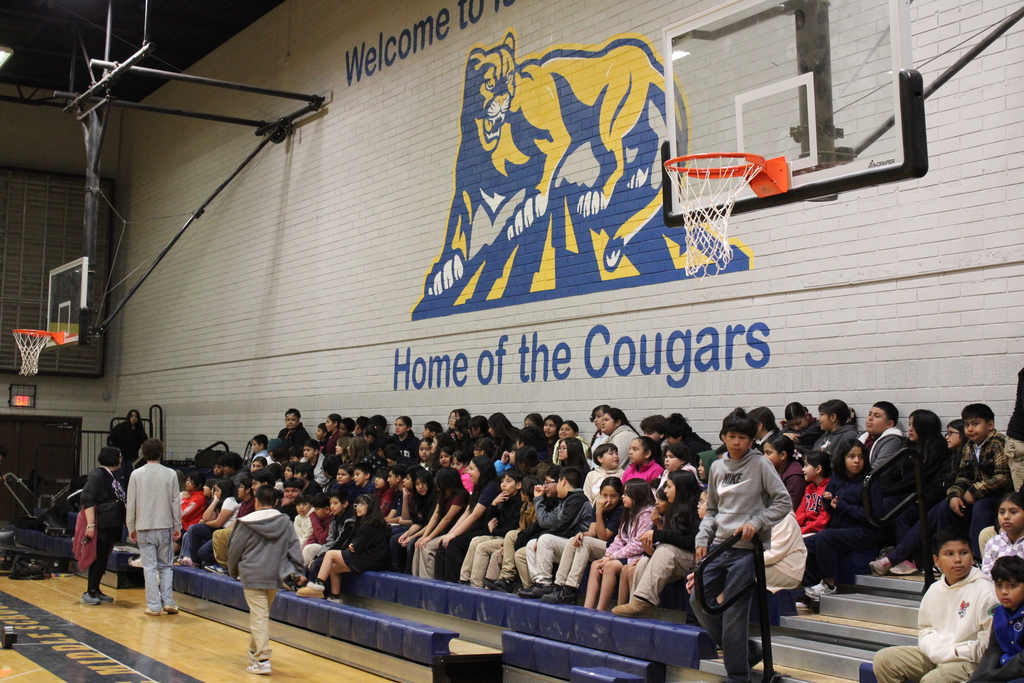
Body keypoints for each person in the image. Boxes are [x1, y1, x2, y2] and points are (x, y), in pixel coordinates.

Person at [686, 409, 790, 683]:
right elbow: (711, 510)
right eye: (731, 436)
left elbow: (783, 502)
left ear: (750, 440)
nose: (736, 442)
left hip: (746, 551)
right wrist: (701, 538)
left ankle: (737, 676)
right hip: (718, 547)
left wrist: (757, 523)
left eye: (742, 437)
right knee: (698, 603)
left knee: (734, 614)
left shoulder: (760, 465)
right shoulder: (718, 468)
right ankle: (746, 651)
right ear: (723, 437)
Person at [872, 528, 996, 683]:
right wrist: (936, 651)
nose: (958, 559)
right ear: (936, 560)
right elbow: (925, 630)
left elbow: (989, 645)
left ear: (972, 557)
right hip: (936, 655)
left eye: (964, 553)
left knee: (933, 680)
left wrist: (950, 652)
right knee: (884, 660)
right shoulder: (934, 589)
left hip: (968, 662)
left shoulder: (986, 591)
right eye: (949, 554)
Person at [227, 485, 304, 676]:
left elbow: (234, 549)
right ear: (276, 502)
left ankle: (262, 659)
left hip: (252, 573)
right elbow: (294, 546)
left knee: (259, 615)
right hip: (275, 574)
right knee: (261, 614)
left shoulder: (245, 522)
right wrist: (298, 571)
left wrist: (232, 571)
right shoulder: (285, 521)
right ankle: (255, 650)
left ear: (256, 501)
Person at [804, 440, 885, 599]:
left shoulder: (870, 481)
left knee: (824, 538)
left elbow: (874, 515)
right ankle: (812, 586)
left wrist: (843, 506)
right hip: (840, 528)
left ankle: (829, 585)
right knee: (804, 545)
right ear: (843, 459)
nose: (857, 461)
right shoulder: (836, 478)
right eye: (852, 456)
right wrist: (827, 502)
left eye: (861, 457)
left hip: (864, 531)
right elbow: (830, 507)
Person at [612, 471, 701, 617]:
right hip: (674, 559)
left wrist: (659, 534)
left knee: (665, 550)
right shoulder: (672, 508)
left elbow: (692, 542)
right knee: (642, 563)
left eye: (669, 486)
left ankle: (643, 601)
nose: (665, 490)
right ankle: (637, 608)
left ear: (681, 488)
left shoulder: (696, 508)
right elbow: (668, 541)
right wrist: (650, 550)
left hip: (693, 559)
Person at [544, 477, 624, 605]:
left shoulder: (620, 509)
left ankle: (571, 588)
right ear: (600, 494)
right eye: (605, 495)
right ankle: (558, 585)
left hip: (614, 550)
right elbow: (592, 532)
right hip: (599, 546)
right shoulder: (598, 504)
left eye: (613, 496)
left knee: (585, 543)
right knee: (574, 540)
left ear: (620, 496)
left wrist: (599, 513)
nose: (608, 500)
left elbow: (604, 536)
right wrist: (581, 534)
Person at [126, 438, 182, 616]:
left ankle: (154, 605)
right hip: (164, 525)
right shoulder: (171, 474)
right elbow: (175, 502)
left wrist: (131, 526)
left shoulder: (136, 474)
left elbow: (131, 503)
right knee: (166, 566)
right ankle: (169, 602)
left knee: (149, 567)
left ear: (143, 453)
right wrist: (177, 526)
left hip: (144, 526)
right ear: (161, 452)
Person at [518, 467, 594, 598]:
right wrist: (538, 499)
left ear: (563, 481)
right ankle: (539, 584)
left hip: (579, 546)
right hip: (567, 544)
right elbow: (545, 522)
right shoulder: (565, 501)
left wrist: (540, 537)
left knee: (545, 539)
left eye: (557, 483)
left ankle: (544, 584)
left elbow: (563, 526)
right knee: (531, 544)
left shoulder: (578, 499)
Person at [297, 494, 390, 599]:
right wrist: (353, 546)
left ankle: (317, 586)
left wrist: (353, 546)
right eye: (357, 504)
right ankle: (335, 596)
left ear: (371, 507)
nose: (358, 507)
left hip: (371, 559)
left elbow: (356, 548)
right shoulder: (366, 523)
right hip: (370, 558)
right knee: (334, 568)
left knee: (330, 554)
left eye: (362, 504)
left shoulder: (369, 526)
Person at [79, 446, 127, 605]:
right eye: (119, 456)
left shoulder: (111, 475)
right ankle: (90, 591)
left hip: (111, 523)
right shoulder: (97, 475)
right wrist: (90, 525)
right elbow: (87, 499)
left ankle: (96, 589)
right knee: (97, 557)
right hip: (101, 523)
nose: (121, 458)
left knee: (103, 556)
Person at [969, 556, 1024, 683]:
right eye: (999, 586)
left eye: (1012, 586)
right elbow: (993, 650)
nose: (1004, 592)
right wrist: (977, 678)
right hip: (1002, 671)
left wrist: (991, 677)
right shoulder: (999, 612)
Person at [981, 493, 1024, 577]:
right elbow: (986, 576)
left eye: (1013, 512)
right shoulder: (993, 542)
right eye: (1002, 512)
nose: (1006, 517)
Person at [764, 434, 804, 511]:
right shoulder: (773, 471)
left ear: (783, 455)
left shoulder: (795, 478)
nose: (764, 456)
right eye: (764, 452)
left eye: (768, 453)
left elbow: (789, 508)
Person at [796, 450, 832, 534]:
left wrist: (802, 530)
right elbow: (800, 512)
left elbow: (823, 521)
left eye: (806, 466)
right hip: (805, 528)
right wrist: (794, 527)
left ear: (818, 469)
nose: (803, 469)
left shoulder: (829, 489)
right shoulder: (809, 488)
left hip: (819, 531)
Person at [861, 401, 904, 469]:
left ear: (889, 424)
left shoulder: (892, 441)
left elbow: (877, 471)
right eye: (869, 414)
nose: (870, 418)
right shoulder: (862, 436)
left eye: (877, 416)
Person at [107, 409, 147, 483]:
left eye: (136, 417)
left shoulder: (139, 430)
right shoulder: (120, 427)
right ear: (129, 417)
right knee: (121, 478)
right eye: (132, 416)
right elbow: (111, 438)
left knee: (131, 478)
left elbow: (145, 442)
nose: (134, 418)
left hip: (133, 457)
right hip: (121, 457)